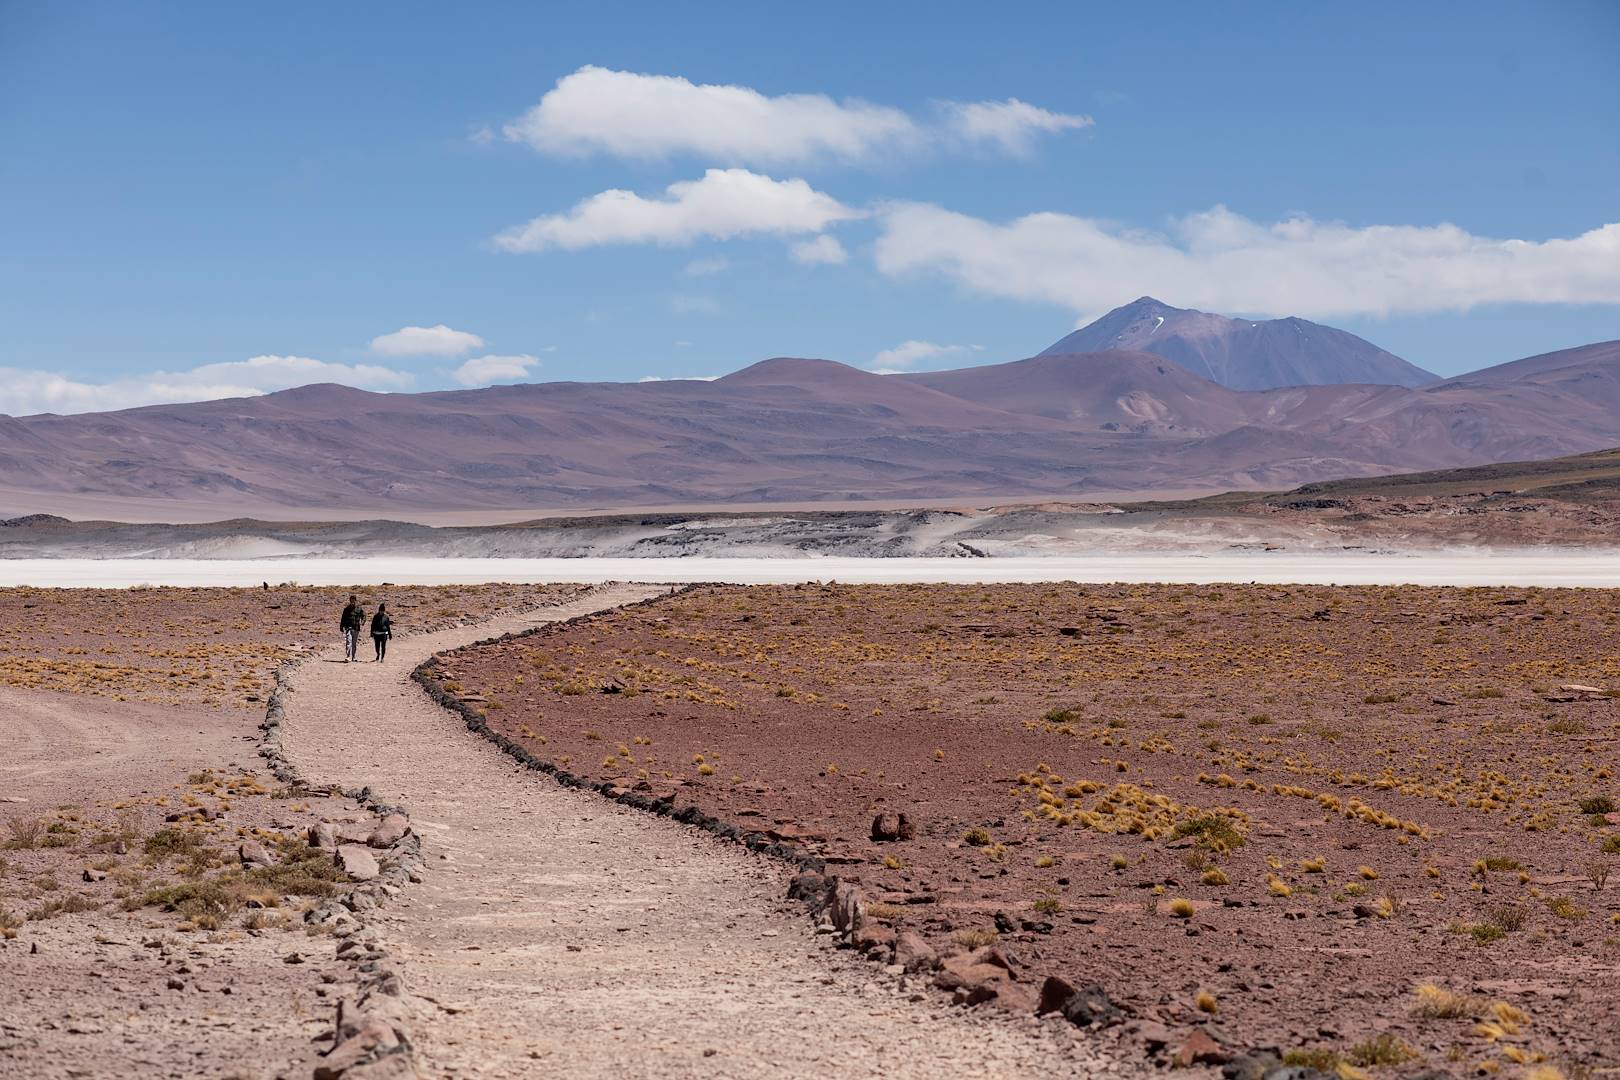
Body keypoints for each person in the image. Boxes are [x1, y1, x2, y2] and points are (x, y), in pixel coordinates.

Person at [340, 594, 365, 662]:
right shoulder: (346, 609)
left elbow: (364, 615)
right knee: (349, 642)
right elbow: (343, 618)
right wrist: (341, 626)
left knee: (354, 643)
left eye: (354, 600)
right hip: (348, 628)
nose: (352, 601)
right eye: (351, 600)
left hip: (356, 628)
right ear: (350, 601)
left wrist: (362, 622)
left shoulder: (359, 609)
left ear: (355, 601)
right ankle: (348, 656)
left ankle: (353, 657)